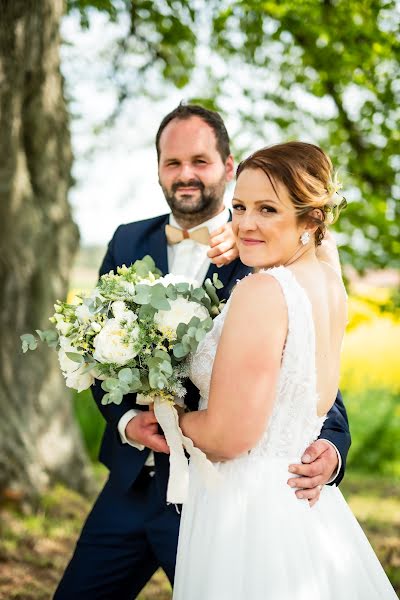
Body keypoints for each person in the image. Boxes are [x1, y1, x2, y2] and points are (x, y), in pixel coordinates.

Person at [54, 107, 351, 599]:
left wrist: (333, 448)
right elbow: (96, 350)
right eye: (172, 163)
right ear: (158, 169)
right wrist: (128, 421)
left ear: (228, 166)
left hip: (217, 492)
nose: (185, 174)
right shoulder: (128, 240)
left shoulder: (264, 259)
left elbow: (306, 369)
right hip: (132, 483)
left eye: (200, 160)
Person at [173, 142, 397, 599]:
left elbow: (229, 437)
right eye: (239, 207)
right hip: (304, 506)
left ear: (311, 218)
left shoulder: (263, 291)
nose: (245, 223)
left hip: (249, 512)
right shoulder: (330, 283)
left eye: (267, 209)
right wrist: (270, 225)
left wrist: (166, 414)